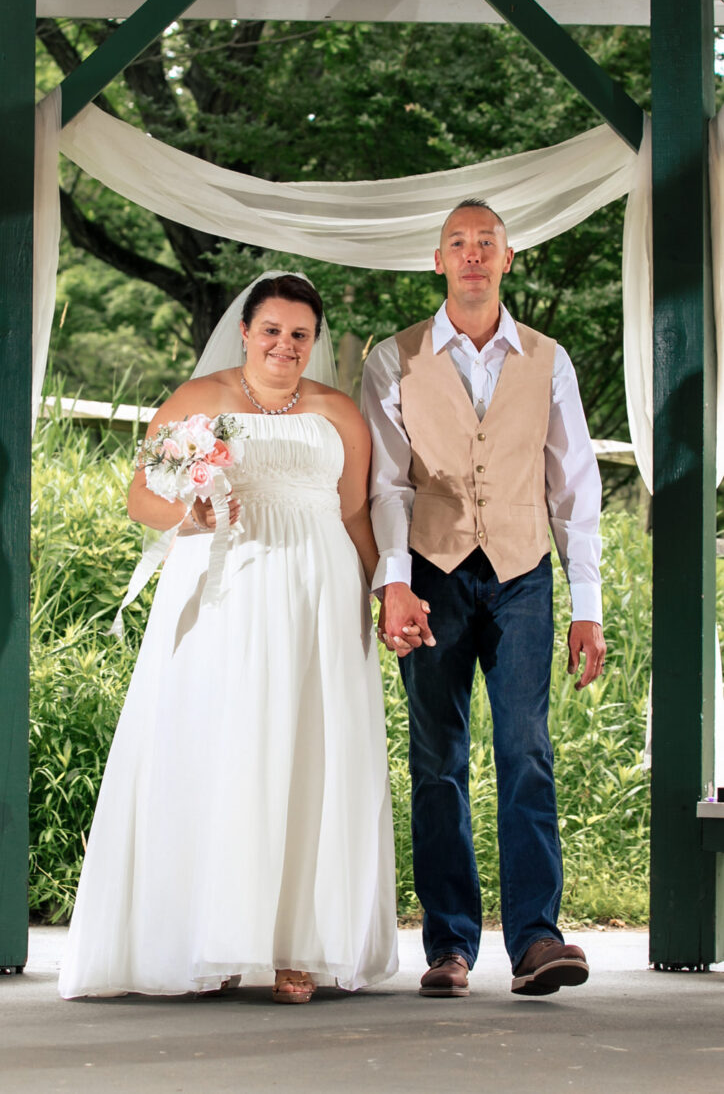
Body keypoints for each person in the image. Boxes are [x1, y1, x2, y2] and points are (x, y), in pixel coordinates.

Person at [59, 273, 398, 1004]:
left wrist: (386, 592)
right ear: (245, 331)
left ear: (314, 340)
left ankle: (300, 947)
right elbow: (143, 496)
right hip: (228, 589)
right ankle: (210, 937)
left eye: (300, 334)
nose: (285, 345)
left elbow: (354, 515)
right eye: (271, 330)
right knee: (226, 747)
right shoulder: (198, 400)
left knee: (313, 750)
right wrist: (191, 517)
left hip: (319, 594)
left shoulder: (339, 412)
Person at [361, 199, 606, 999]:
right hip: (429, 572)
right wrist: (395, 580)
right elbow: (387, 484)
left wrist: (587, 602)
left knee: (526, 750)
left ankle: (537, 939)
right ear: (438, 260)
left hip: (522, 573)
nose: (473, 254)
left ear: (508, 258)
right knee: (437, 760)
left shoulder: (548, 359)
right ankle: (450, 946)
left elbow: (574, 484)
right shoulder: (393, 359)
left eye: (486, 243)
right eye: (458, 243)